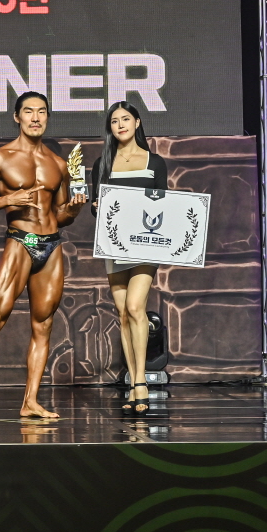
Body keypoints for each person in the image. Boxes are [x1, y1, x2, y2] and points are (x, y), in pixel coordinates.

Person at [0, 91, 87, 422]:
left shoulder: (58, 164)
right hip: (20, 241)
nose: (35, 118)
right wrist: (9, 199)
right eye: (29, 111)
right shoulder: (0, 158)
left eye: (41, 112)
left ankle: (30, 401)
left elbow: (59, 215)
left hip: (52, 245)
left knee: (43, 324)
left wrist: (73, 210)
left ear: (47, 117)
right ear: (17, 117)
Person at [88, 101, 167, 416]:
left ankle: (141, 381)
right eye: (114, 121)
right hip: (114, 245)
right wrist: (96, 206)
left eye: (125, 119)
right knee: (123, 313)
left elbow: (165, 204)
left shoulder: (154, 161)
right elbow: (97, 209)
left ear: (137, 122)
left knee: (136, 307)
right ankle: (133, 382)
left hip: (146, 245)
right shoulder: (102, 163)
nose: (120, 124)